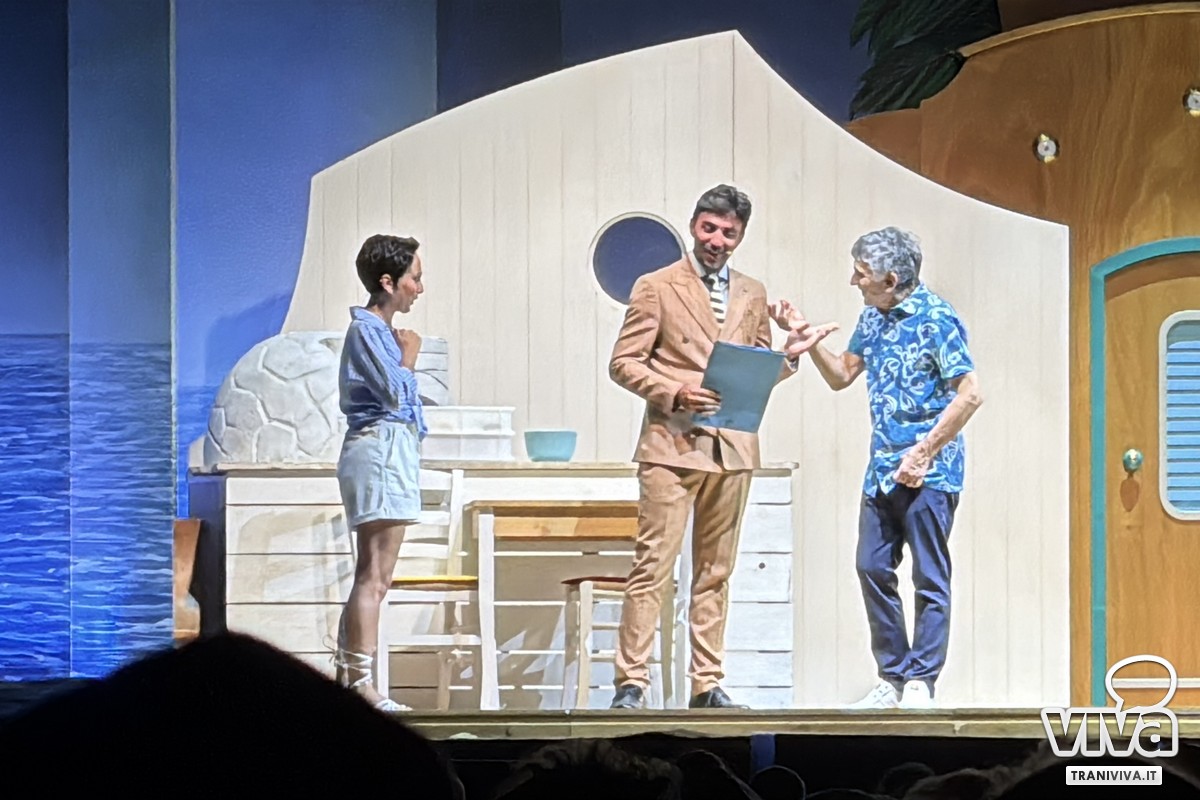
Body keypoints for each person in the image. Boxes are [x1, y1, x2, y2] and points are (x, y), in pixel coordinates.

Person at [607, 184, 831, 710]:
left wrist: (788, 357)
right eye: (709, 228)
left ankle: (706, 683)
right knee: (653, 566)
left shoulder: (752, 292)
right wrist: (674, 391)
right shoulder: (656, 286)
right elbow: (623, 362)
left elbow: (755, 370)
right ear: (694, 226)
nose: (717, 240)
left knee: (715, 572)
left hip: (731, 447)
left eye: (729, 233)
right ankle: (631, 682)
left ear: (741, 236)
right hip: (671, 443)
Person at [771, 227, 983, 710]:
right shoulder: (872, 316)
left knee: (929, 576)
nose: (854, 281)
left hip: (930, 471)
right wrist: (809, 341)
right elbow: (842, 375)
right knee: (871, 566)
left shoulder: (937, 319)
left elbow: (970, 393)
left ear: (891, 280)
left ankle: (921, 680)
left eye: (861, 274)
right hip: (882, 469)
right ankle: (893, 676)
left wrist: (924, 452)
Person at [332, 233, 427, 713]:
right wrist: (409, 358)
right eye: (414, 278)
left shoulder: (380, 332)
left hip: (391, 451)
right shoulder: (367, 330)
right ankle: (360, 686)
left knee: (373, 576)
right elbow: (393, 394)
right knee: (373, 575)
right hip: (379, 451)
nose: (419, 289)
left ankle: (350, 678)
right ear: (388, 282)